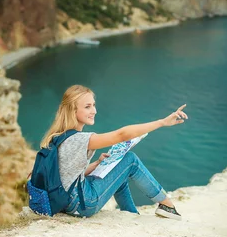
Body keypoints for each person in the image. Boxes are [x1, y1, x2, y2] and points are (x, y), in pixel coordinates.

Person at [39, 84, 188, 220]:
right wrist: (162, 122)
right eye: (87, 107)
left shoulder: (57, 137)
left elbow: (67, 177)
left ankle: (131, 215)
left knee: (117, 171)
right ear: (73, 110)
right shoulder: (79, 139)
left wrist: (97, 163)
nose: (94, 111)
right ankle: (167, 205)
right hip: (82, 205)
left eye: (94, 105)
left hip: (66, 202)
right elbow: (122, 135)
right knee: (130, 160)